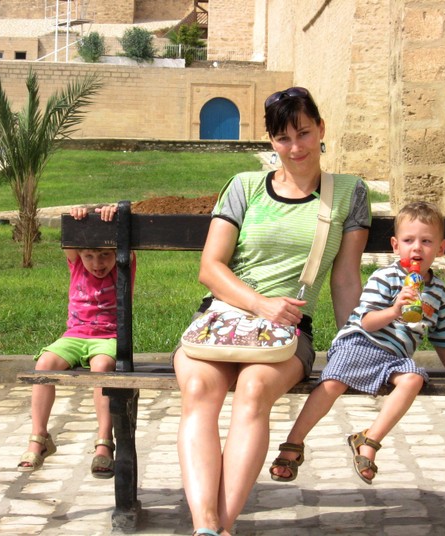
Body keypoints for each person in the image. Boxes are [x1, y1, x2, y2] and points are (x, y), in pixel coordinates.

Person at [173, 87, 371, 536]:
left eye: (304, 133)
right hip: (222, 321)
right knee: (199, 389)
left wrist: (355, 344)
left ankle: (221, 527)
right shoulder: (243, 186)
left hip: (289, 334)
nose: (295, 147)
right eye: (283, 138)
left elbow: (345, 279)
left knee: (254, 389)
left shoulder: (349, 193)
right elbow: (210, 267)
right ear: (271, 141)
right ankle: (206, 527)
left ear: (321, 128)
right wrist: (261, 304)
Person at [269, 201, 445, 485]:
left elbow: (442, 336)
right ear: (395, 245)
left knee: (414, 379)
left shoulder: (439, 292)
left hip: (395, 357)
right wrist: (395, 310)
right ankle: (293, 444)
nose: (417, 248)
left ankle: (369, 440)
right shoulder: (386, 277)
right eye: (408, 240)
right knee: (333, 382)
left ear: (441, 248)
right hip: (359, 343)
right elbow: (367, 322)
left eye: (426, 241)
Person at [17, 204, 136, 479]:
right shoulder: (76, 265)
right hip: (75, 335)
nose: (97, 263)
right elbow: (70, 236)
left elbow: (128, 243)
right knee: (44, 363)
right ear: (80, 256)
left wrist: (114, 215)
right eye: (89, 256)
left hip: (108, 337)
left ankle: (104, 442)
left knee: (102, 367)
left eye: (105, 255)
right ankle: (39, 437)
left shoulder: (123, 267)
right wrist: (79, 215)